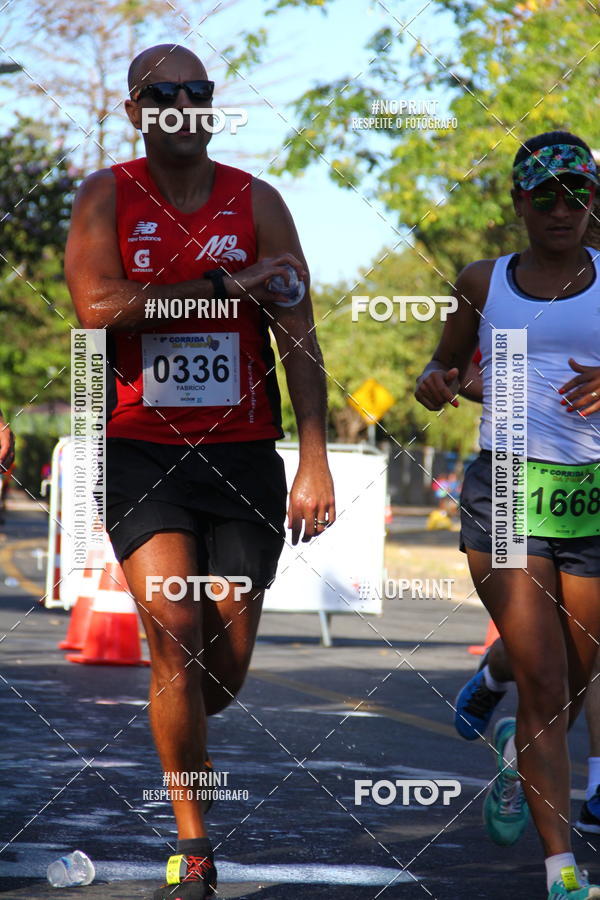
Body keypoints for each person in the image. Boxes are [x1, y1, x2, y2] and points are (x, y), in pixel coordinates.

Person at [65, 43, 335, 900]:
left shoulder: (258, 203)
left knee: (224, 664)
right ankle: (193, 842)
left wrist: (317, 458)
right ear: (137, 110)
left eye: (198, 91)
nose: (183, 103)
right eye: (163, 93)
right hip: (143, 448)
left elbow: (297, 332)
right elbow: (98, 307)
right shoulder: (106, 195)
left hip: (244, 453)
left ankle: (185, 734)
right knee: (173, 640)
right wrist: (228, 283)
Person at [415, 131, 600, 899]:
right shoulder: (482, 281)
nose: (563, 209)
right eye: (546, 196)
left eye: (577, 194)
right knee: (549, 681)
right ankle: (562, 870)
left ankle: (495, 683)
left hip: (589, 493)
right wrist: (436, 381)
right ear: (519, 204)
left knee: (579, 672)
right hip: (509, 489)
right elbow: (448, 364)